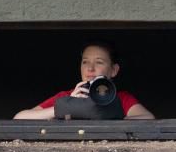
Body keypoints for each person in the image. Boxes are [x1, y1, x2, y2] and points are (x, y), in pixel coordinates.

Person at [13, 41, 155, 120]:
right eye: (85, 62)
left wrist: (112, 117)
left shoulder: (120, 98)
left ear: (114, 70)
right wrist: (67, 105)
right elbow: (19, 118)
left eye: (99, 62)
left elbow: (148, 119)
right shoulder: (66, 96)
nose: (90, 68)